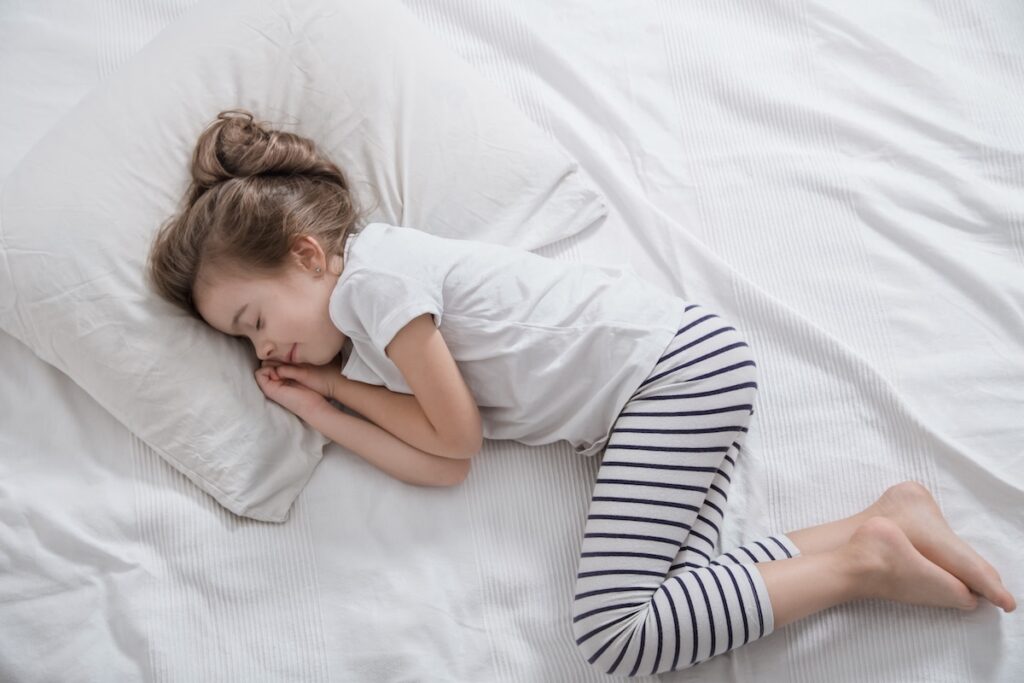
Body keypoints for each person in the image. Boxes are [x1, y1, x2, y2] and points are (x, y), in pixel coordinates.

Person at [147, 109, 1016, 677]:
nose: (262, 346)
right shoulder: (370, 343)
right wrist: (319, 409)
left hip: (672, 373)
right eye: (245, 340)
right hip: (661, 387)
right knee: (679, 593)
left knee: (617, 635)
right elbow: (442, 469)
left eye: (255, 317)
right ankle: (889, 521)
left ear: (306, 254)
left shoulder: (376, 281)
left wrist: (336, 389)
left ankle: (865, 563)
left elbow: (455, 435)